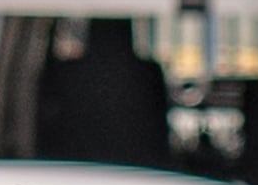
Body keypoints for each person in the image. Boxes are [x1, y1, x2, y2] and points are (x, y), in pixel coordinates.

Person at [31, 17, 168, 168]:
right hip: (142, 170)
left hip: (69, 169)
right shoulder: (148, 73)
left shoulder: (67, 73)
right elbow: (160, 129)